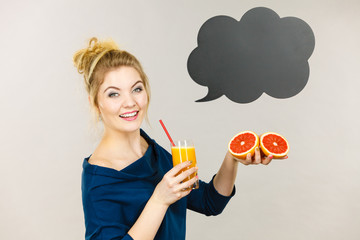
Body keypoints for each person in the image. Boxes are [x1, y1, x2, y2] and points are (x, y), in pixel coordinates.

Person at [73, 37, 277, 240]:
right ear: (95, 103)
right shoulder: (99, 180)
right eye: (113, 94)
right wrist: (159, 200)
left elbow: (209, 202)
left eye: (137, 89)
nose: (130, 102)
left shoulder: (151, 151)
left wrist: (232, 157)